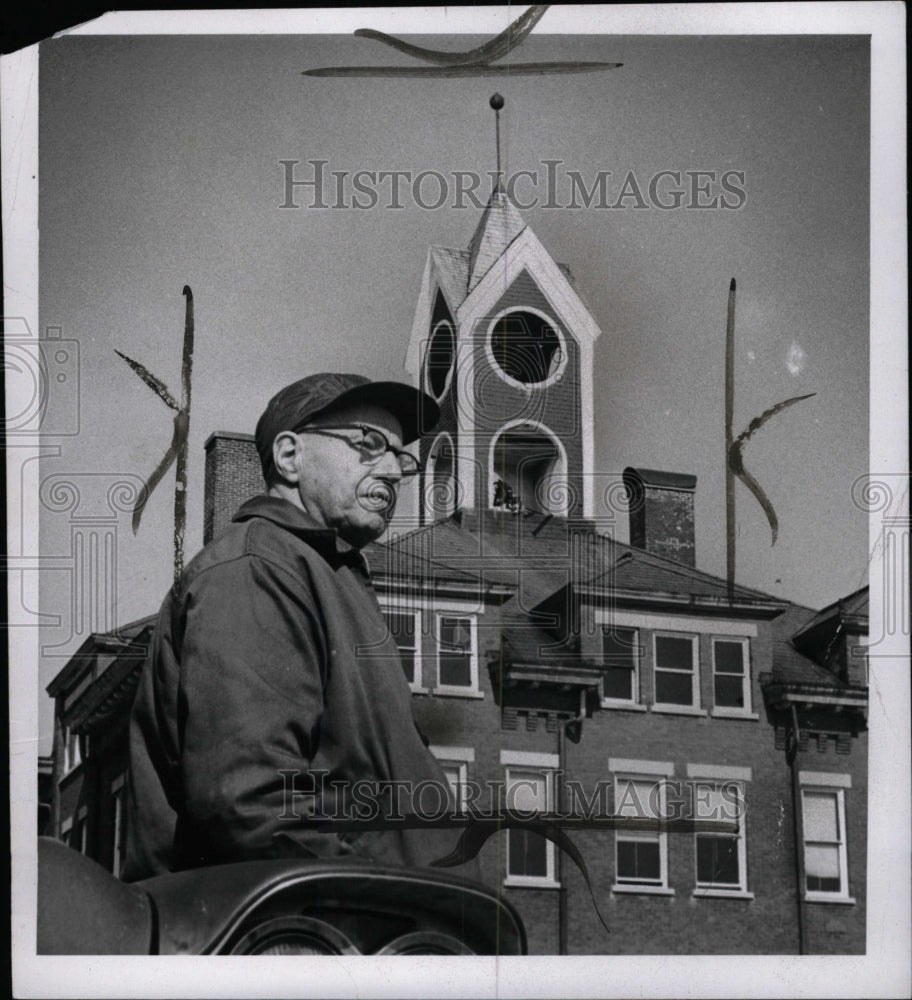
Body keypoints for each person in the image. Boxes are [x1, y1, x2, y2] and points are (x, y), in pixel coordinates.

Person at [122, 372, 457, 881]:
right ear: (289, 457)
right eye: (368, 444)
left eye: (400, 457)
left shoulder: (328, 575)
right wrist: (389, 902)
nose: (392, 470)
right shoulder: (258, 568)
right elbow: (250, 802)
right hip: (321, 934)